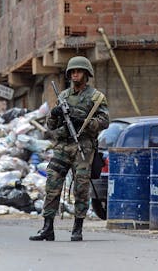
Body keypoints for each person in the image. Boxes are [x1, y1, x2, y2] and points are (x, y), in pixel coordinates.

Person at [30, 56, 109, 242]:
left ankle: (77, 228)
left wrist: (85, 122)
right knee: (52, 183)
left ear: (86, 74)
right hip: (63, 146)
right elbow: (51, 125)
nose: (75, 74)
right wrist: (55, 114)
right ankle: (47, 227)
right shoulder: (63, 96)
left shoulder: (96, 97)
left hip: (83, 146)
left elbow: (105, 121)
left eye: (79, 71)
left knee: (81, 187)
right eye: (72, 72)